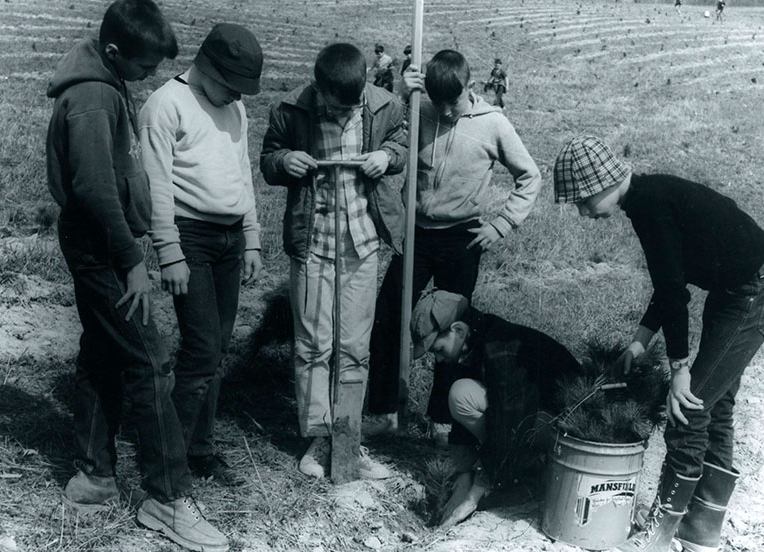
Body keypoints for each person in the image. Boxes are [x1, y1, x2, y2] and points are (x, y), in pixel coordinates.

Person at [45, 1, 228, 550]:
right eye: (146, 65)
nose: (151, 75)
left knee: (104, 350)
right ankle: (167, 497)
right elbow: (97, 190)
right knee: (152, 361)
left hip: (99, 242)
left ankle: (96, 476)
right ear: (115, 51)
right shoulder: (94, 97)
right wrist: (132, 263)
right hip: (103, 248)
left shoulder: (100, 80)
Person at [552, 135, 764, 552]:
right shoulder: (646, 198)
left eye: (582, 201)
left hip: (754, 290)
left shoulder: (650, 205)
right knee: (716, 403)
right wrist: (638, 344)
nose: (583, 213)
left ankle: (659, 534)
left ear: (601, 181)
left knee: (687, 408)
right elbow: (670, 280)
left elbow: (674, 292)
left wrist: (679, 368)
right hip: (735, 289)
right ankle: (702, 531)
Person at [365, 50, 542, 443]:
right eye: (437, 101)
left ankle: (441, 419)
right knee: (390, 315)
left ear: (471, 87)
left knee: (453, 328)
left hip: (462, 238)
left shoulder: (494, 123)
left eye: (453, 101)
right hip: (416, 236)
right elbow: (380, 137)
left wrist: (503, 223)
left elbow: (530, 176)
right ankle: (383, 410)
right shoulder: (418, 109)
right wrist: (399, 94)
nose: (444, 111)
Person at [260, 42, 408, 480]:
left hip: (361, 245)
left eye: (353, 107)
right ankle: (318, 438)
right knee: (313, 345)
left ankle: (347, 439)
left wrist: (387, 156)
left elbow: (400, 143)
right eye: (336, 107)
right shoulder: (290, 111)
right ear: (318, 88)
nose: (346, 115)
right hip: (313, 244)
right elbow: (268, 160)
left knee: (354, 348)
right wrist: (285, 160)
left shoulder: (384, 106)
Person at [138, 24, 263, 487]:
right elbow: (157, 187)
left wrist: (250, 236)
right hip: (190, 238)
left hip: (231, 239)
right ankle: (167, 457)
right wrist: (169, 253)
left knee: (217, 349)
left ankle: (200, 448)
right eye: (231, 85)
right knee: (202, 349)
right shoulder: (164, 107)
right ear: (207, 67)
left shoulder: (236, 108)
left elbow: (242, 173)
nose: (235, 96)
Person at [409, 290, 582, 529]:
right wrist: (463, 474)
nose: (437, 359)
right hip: (535, 416)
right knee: (462, 393)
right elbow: (465, 428)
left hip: (569, 433)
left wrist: (473, 497)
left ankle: (530, 477)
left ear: (458, 329)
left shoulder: (500, 349)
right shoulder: (472, 340)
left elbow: (509, 425)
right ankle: (519, 470)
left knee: (464, 395)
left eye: (439, 349)